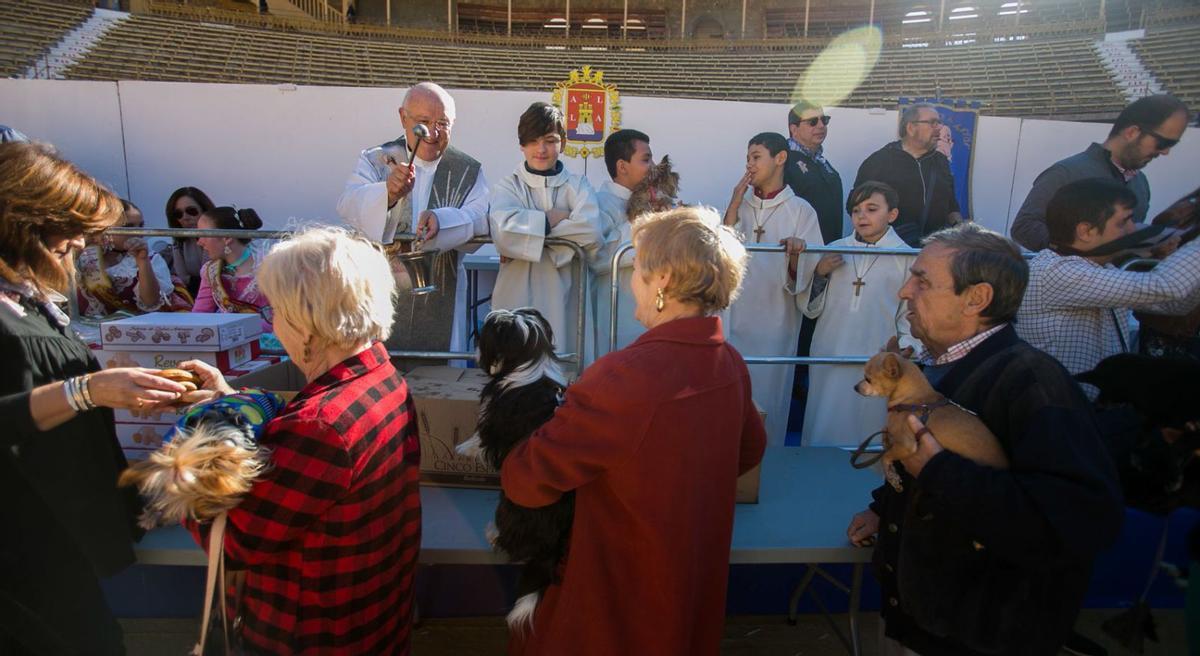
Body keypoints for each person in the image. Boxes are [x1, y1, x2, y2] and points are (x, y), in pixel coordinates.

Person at [846, 223, 1123, 656]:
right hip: (924, 626)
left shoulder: (1033, 384)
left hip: (980, 638)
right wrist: (885, 508)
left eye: (922, 281)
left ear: (977, 298)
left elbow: (1083, 521)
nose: (904, 292)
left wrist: (938, 471)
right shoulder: (937, 370)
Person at [501, 206, 766, 655]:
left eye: (636, 269)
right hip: (690, 582)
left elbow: (527, 480)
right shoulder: (731, 364)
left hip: (618, 592)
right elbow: (750, 450)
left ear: (662, 279)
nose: (629, 283)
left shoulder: (624, 377)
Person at [178, 227, 422, 655]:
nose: (271, 321)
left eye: (275, 309)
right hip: (369, 620)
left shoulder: (321, 426)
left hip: (308, 634)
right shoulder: (381, 373)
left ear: (306, 323)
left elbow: (232, 541)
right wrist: (233, 401)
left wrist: (197, 439)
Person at [0, 141, 192, 655]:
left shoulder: (26, 301)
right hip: (22, 552)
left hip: (53, 540)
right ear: (26, 224)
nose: (83, 243)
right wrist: (87, 390)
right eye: (73, 229)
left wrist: (107, 389)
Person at [337, 82, 489, 359]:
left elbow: (480, 218)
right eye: (423, 121)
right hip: (382, 290)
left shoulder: (468, 170)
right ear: (402, 117)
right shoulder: (378, 160)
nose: (432, 132)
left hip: (444, 293)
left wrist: (443, 221)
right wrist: (387, 194)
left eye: (442, 123)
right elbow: (348, 205)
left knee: (440, 379)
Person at [1015, 178, 1200, 399]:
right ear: (1086, 231)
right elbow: (1166, 287)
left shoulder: (1094, 269)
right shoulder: (1058, 272)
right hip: (1062, 414)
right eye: (1124, 222)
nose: (1134, 229)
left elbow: (1175, 304)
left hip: (1082, 412)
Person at [802, 181, 920, 447]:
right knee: (824, 421)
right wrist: (820, 274)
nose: (862, 216)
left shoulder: (906, 258)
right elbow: (809, 307)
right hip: (830, 350)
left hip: (875, 355)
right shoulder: (836, 248)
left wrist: (906, 347)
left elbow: (908, 313)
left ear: (892, 214)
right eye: (856, 210)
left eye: (871, 209)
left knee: (868, 429)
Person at [724, 131, 823, 444]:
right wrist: (734, 204)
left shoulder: (801, 211)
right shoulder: (739, 205)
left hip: (775, 319)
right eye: (747, 158)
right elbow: (721, 251)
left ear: (780, 158)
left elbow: (812, 268)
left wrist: (798, 255)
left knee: (768, 394)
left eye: (756, 157)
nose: (749, 165)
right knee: (732, 394)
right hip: (735, 318)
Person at [489, 101, 603, 359]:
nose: (541, 149)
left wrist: (531, 233)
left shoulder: (578, 185)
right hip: (516, 294)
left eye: (550, 141)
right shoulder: (508, 187)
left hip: (566, 297)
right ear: (522, 144)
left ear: (562, 143)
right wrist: (551, 220)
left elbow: (591, 230)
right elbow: (504, 232)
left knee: (563, 366)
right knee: (515, 367)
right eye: (533, 141)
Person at [1011, 94, 1190, 252]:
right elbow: (1023, 227)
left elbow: (1125, 245)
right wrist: (1078, 254)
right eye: (1163, 143)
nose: (1165, 152)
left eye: (1172, 145)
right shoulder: (1066, 172)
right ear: (1132, 132)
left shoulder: (1141, 183)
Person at [854, 103, 964, 247]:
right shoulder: (879, 161)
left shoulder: (941, 162)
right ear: (911, 128)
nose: (939, 128)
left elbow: (951, 205)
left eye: (939, 123)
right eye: (932, 123)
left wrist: (961, 229)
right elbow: (856, 207)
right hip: (891, 252)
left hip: (933, 251)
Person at [593, 128, 653, 358]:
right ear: (622, 166)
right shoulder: (599, 204)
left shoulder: (655, 200)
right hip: (614, 311)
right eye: (646, 160)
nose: (653, 167)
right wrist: (642, 221)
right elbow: (597, 257)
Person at [77, 198, 193, 317]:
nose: (138, 232)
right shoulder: (82, 256)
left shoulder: (151, 258)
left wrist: (142, 261)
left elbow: (151, 302)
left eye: (140, 226)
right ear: (105, 228)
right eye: (128, 226)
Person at [192, 206, 272, 331]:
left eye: (203, 235)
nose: (199, 242)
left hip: (266, 343)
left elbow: (284, 317)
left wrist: (235, 328)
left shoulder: (268, 267)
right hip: (228, 342)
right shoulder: (210, 271)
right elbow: (199, 316)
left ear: (227, 237)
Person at [785, 101, 844, 244]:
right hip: (798, 252)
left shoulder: (822, 162)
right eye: (812, 122)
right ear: (794, 129)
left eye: (824, 120)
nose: (821, 126)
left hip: (828, 250)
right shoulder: (783, 160)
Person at [165, 186, 216, 298]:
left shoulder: (218, 237)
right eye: (178, 214)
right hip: (193, 296)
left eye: (191, 211)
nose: (185, 217)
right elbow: (182, 278)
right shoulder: (179, 240)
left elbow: (208, 276)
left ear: (204, 210)